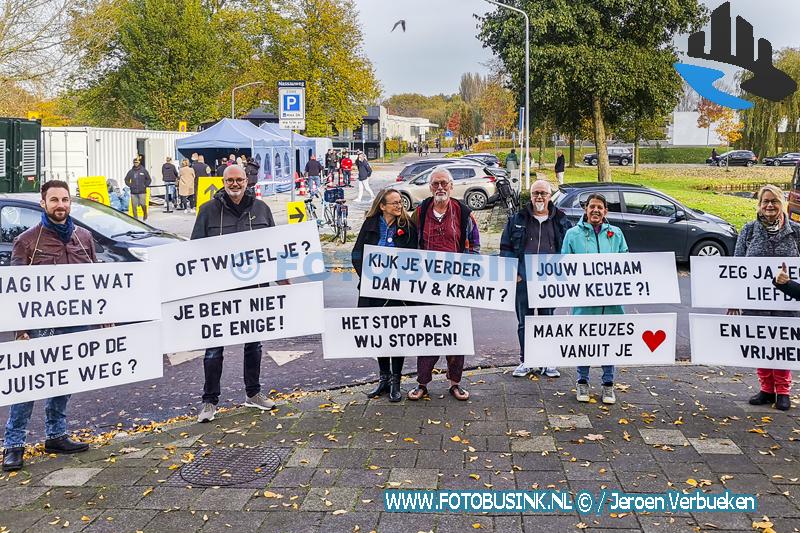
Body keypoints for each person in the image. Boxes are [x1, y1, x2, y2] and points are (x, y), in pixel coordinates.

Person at [3, 180, 95, 471]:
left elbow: (98, 282)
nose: (60, 205)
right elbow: (15, 291)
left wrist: (106, 317)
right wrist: (21, 330)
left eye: (65, 200)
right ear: (43, 204)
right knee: (30, 381)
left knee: (65, 377)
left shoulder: (84, 237)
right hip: (40, 324)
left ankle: (56, 435)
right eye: (54, 200)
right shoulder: (27, 241)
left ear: (70, 203)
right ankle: (14, 444)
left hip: (77, 321)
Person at [192, 165, 284, 422]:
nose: (235, 184)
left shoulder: (262, 209)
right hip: (219, 294)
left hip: (254, 292)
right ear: (223, 182)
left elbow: (274, 247)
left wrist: (283, 276)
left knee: (254, 345)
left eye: (239, 179)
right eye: (230, 180)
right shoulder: (207, 211)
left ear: (247, 181)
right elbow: (194, 251)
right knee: (213, 349)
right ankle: (209, 402)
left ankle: (253, 394)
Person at [407, 168, 480, 402]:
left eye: (444, 183)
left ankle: (455, 383)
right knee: (428, 335)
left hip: (455, 287)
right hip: (427, 287)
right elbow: (410, 245)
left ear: (451, 186)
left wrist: (468, 274)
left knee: (456, 335)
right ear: (430, 187)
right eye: (436, 183)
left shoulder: (463, 213)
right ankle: (422, 383)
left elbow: (474, 246)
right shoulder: (420, 212)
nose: (440, 187)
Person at [730, 185, 800, 411]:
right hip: (755, 302)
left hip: (787, 302)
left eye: (774, 201)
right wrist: (733, 299)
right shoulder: (748, 231)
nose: (769, 205)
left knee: (782, 345)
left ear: (782, 204)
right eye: (765, 201)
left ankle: (783, 391)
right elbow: (736, 267)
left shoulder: (796, 232)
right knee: (760, 343)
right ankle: (766, 389)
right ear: (759, 205)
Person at [351, 189, 419, 402]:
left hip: (398, 293)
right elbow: (356, 253)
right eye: (394, 203)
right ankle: (384, 379)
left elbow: (414, 258)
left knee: (396, 335)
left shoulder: (408, 226)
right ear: (382, 206)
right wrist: (368, 278)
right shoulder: (370, 224)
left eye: (400, 202)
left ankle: (396, 381)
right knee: (379, 335)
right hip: (373, 291)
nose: (399, 206)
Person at [501, 180, 572, 380]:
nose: (539, 197)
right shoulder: (517, 219)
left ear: (550, 196)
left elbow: (569, 249)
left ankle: (547, 360)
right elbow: (505, 247)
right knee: (524, 323)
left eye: (543, 193)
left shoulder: (561, 220)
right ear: (531, 196)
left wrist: (564, 274)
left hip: (549, 281)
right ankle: (527, 361)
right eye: (535, 193)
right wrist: (514, 273)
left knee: (546, 321)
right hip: (523, 279)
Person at [561, 193, 628, 405]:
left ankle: (608, 384)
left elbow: (626, 262)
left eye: (600, 207)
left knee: (609, 342)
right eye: (592, 207)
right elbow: (564, 264)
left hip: (611, 302)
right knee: (584, 341)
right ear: (586, 209)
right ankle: (582, 381)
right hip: (584, 301)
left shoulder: (616, 234)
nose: (596, 210)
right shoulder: (572, 234)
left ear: (605, 211)